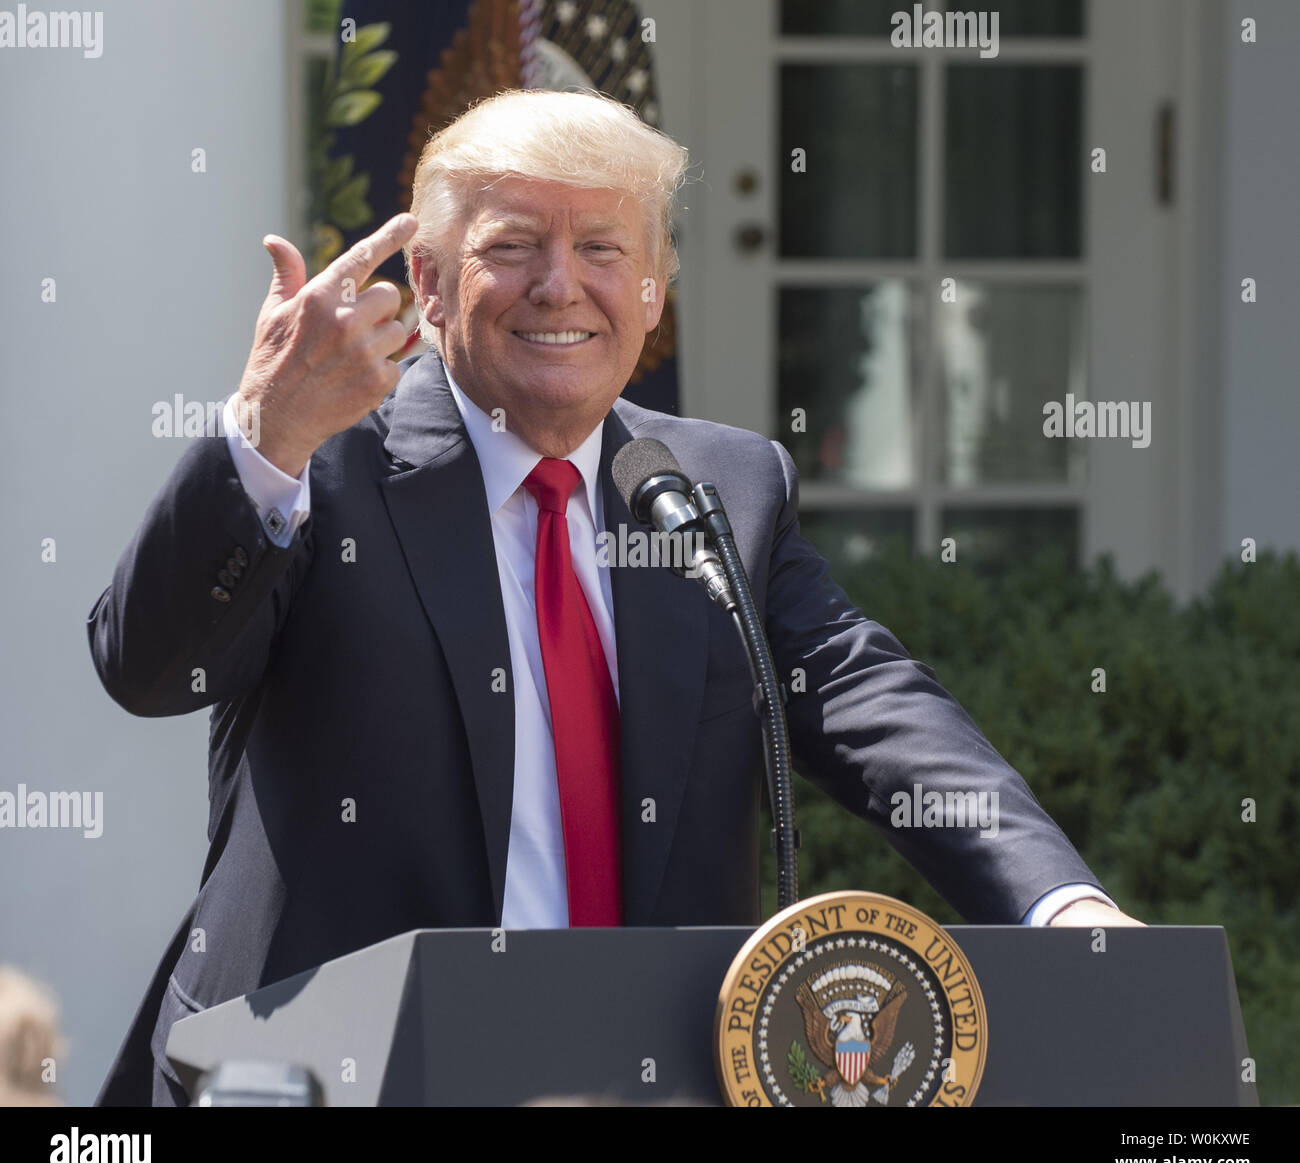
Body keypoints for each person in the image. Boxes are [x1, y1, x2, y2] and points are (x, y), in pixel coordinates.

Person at [88, 89, 1138, 1107]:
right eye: (511, 247)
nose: (559, 286)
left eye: (601, 249)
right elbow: (148, 666)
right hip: (340, 1076)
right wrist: (268, 436)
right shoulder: (320, 467)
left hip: (641, 1077)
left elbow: (875, 706)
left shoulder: (722, 490)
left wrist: (1059, 903)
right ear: (430, 280)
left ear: (652, 288)